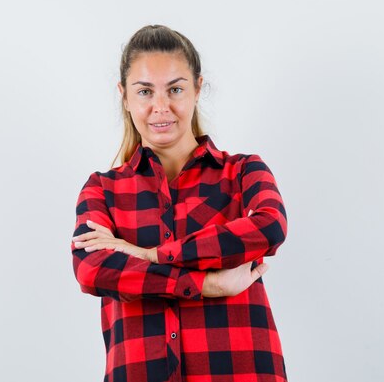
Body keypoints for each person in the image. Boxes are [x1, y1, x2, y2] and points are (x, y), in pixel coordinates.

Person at [71, 24, 289, 382]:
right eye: (145, 92)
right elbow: (92, 268)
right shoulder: (103, 190)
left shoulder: (242, 172)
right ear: (125, 96)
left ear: (197, 89)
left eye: (175, 89)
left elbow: (269, 226)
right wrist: (207, 285)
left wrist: (150, 254)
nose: (161, 107)